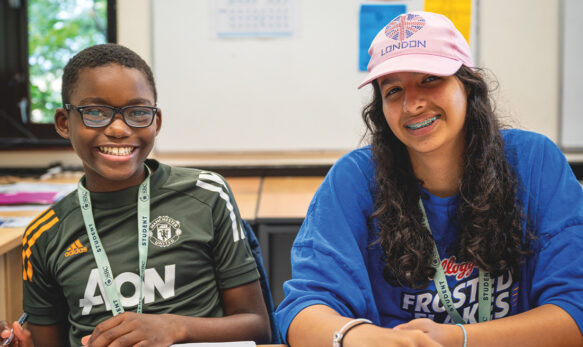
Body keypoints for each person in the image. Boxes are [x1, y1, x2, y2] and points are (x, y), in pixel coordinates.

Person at [274, 11, 583, 347]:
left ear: (468, 84)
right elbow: (302, 311)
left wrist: (456, 338)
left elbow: (574, 312)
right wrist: (363, 339)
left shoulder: (534, 162)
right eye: (393, 90)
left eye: (430, 79)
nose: (412, 104)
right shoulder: (354, 180)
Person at [0, 43, 271, 347]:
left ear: (156, 121)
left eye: (138, 112)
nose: (118, 128)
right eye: (96, 112)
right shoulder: (44, 235)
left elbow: (258, 328)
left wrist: (173, 328)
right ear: (64, 123)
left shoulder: (206, 195)